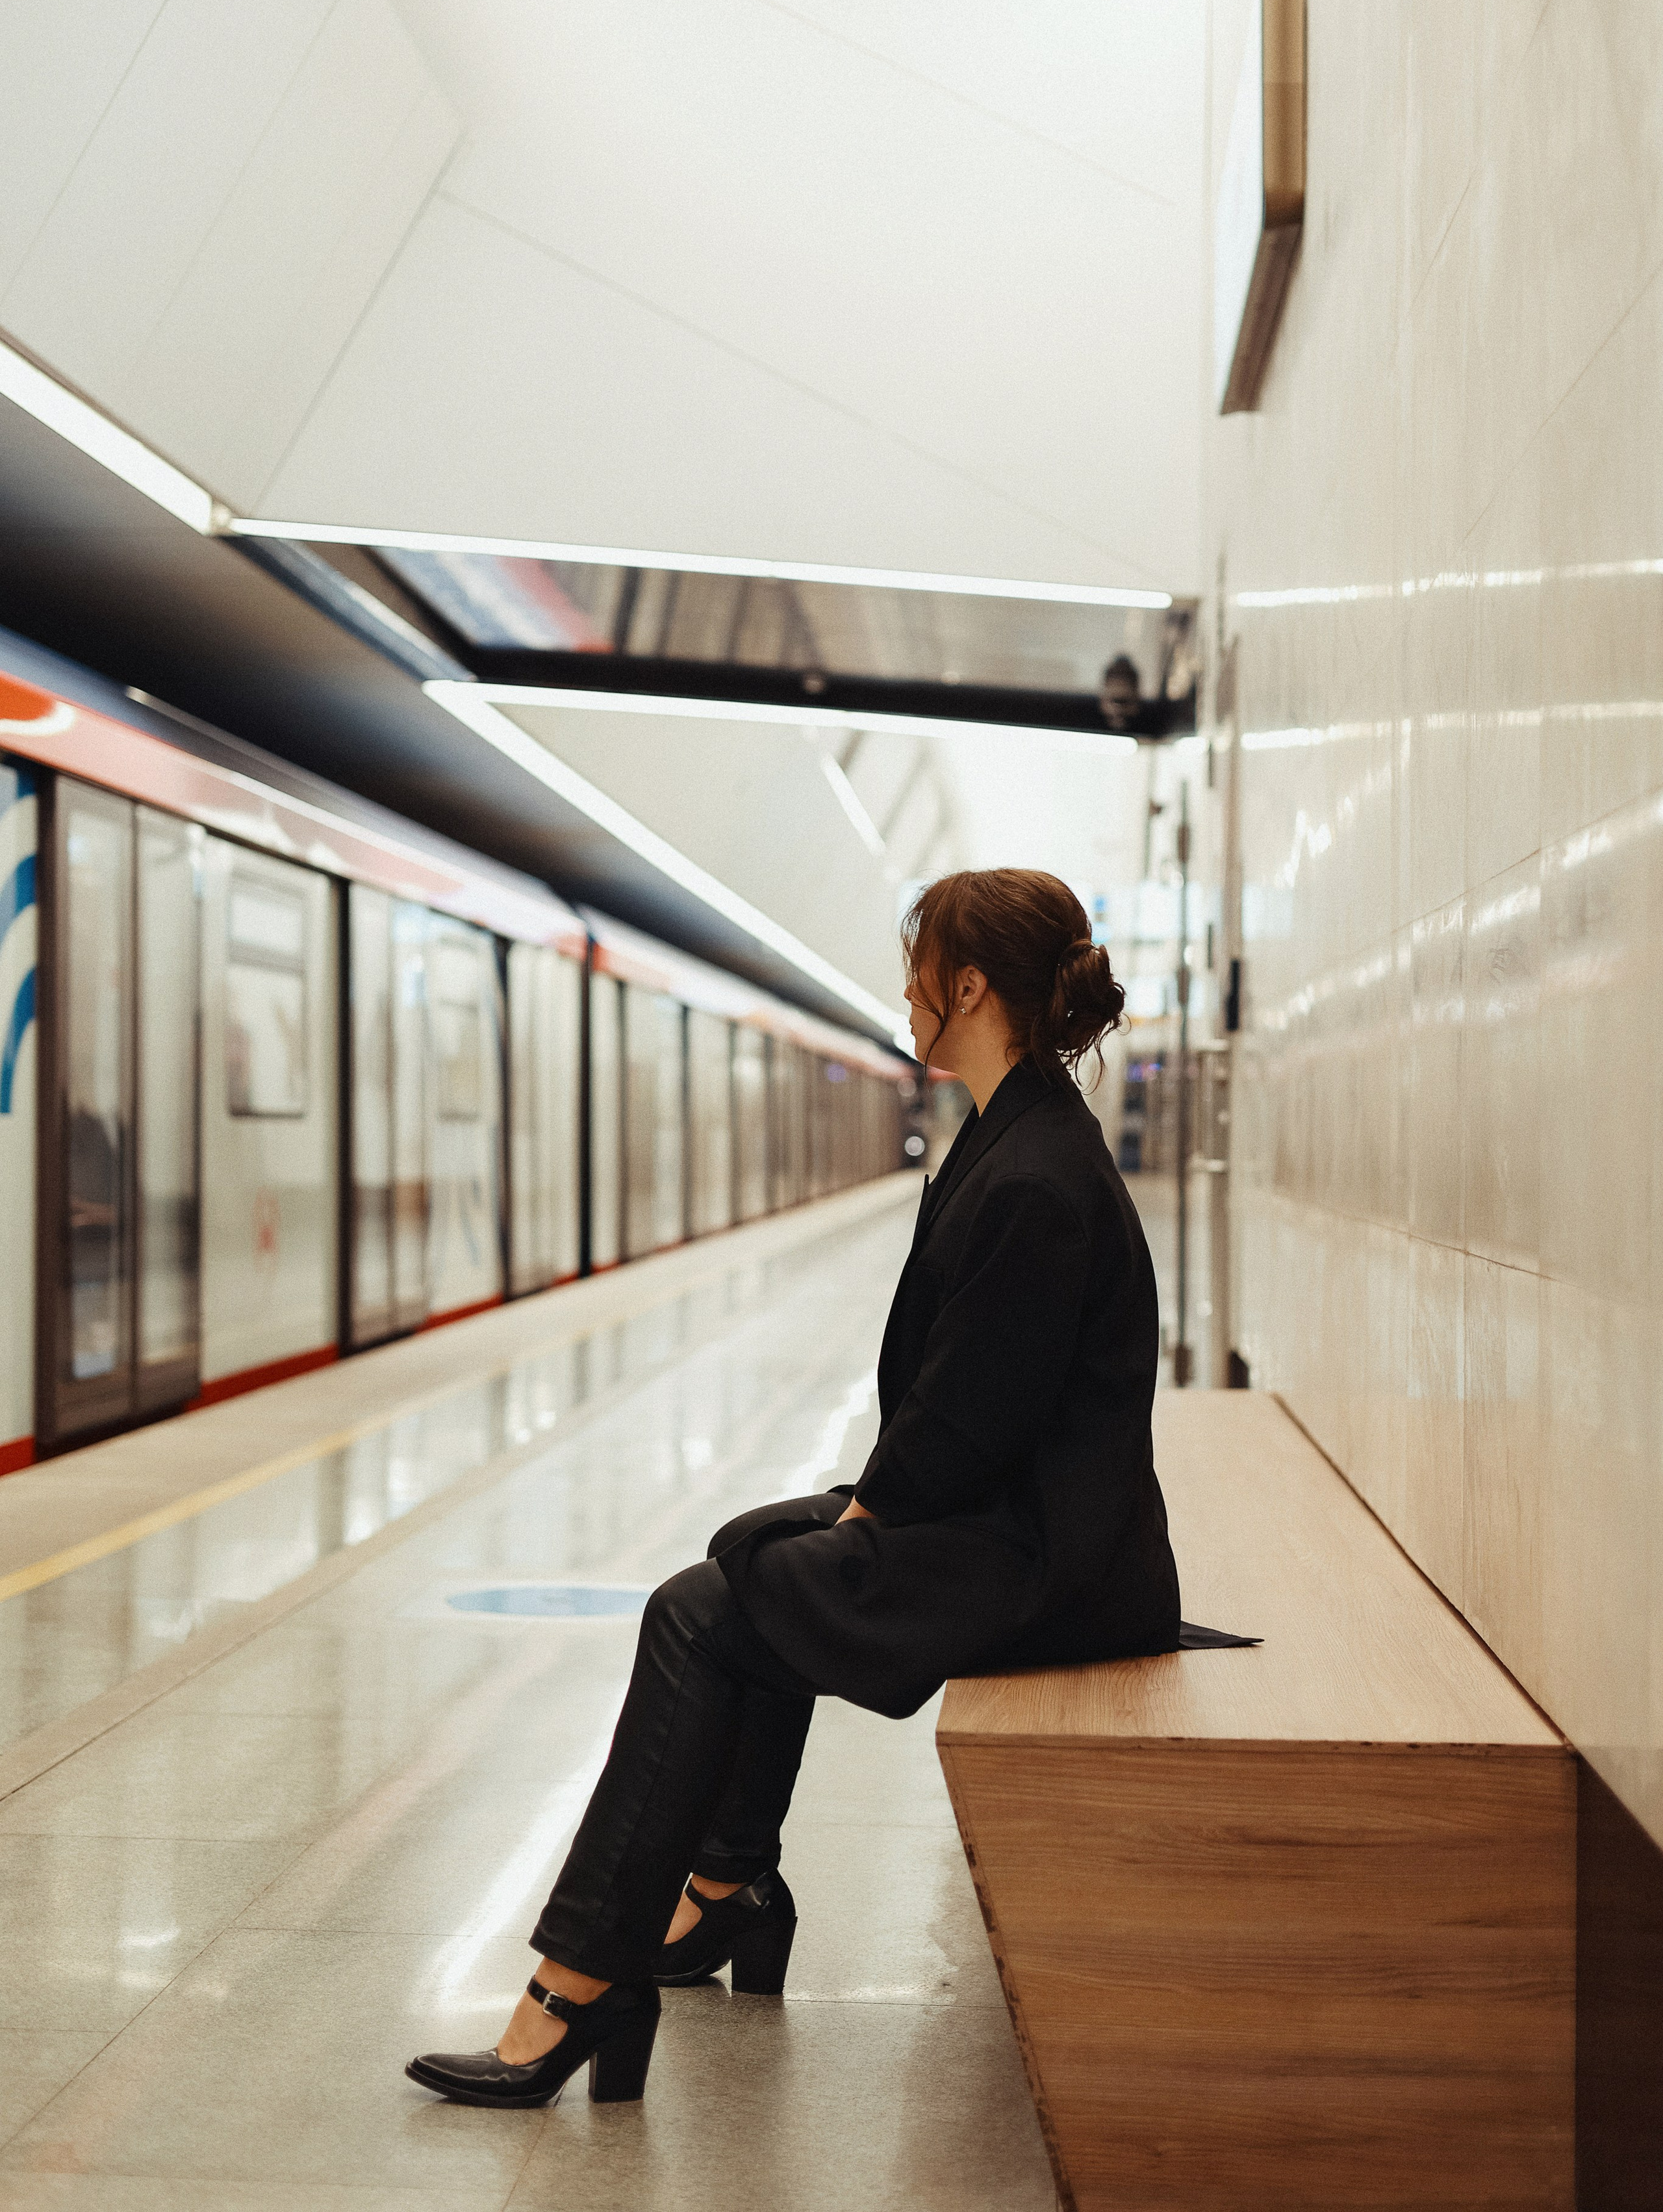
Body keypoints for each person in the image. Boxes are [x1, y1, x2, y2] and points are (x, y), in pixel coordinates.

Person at [405, 867, 1180, 2111]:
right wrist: (854, 1514)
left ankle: (582, 1983)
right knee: (753, 1559)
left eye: (920, 969)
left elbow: (966, 1423)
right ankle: (724, 1889)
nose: (907, 993)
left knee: (706, 1607)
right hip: (1030, 1526)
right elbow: (965, 1407)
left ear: (970, 987)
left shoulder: (1034, 1174)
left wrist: (866, 1517)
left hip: (1051, 1567)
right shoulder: (1017, 1133)